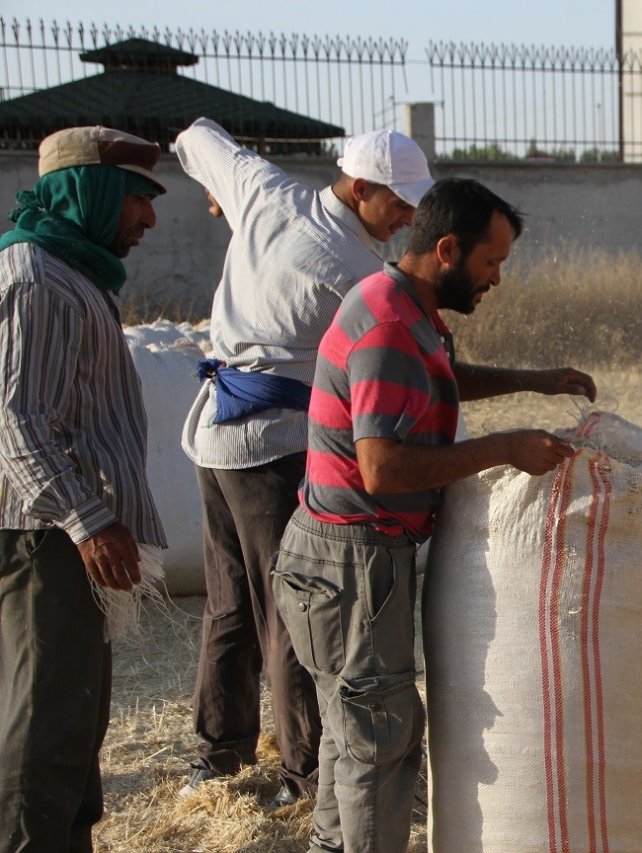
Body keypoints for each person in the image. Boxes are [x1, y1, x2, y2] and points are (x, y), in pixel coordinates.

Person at [272, 177, 596, 852]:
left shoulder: (402, 306)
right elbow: (382, 468)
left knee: (356, 729)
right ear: (447, 249)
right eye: (490, 262)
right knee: (378, 736)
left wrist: (537, 380)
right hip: (351, 563)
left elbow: (442, 378)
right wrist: (502, 448)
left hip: (345, 559)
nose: (497, 279)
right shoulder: (390, 326)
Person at [174, 117, 434, 807]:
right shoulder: (353, 271)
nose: (406, 217)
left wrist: (217, 190)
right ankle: (306, 771)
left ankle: (218, 752)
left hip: (214, 438)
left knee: (229, 600)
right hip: (275, 446)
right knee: (294, 607)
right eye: (399, 202)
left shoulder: (264, 190)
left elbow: (197, 134)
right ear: (360, 185)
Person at [0, 126, 168, 852]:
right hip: (48, 538)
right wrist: (90, 520)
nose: (149, 218)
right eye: (137, 198)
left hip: (69, 539)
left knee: (74, 726)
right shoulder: (36, 278)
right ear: (87, 191)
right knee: (43, 734)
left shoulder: (77, 274)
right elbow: (18, 418)